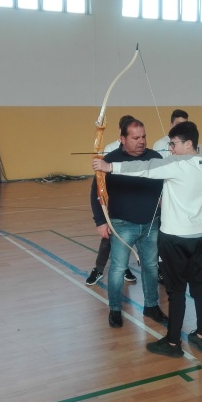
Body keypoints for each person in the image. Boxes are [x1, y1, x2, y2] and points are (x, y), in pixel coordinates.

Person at [93, 121, 202, 358]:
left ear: (189, 144)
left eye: (174, 144)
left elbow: (144, 167)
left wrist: (108, 166)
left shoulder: (176, 166)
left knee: (176, 292)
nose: (170, 148)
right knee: (199, 288)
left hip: (175, 239)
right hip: (197, 237)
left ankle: (172, 343)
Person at [90, 119, 168, 328]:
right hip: (122, 224)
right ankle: (115, 309)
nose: (141, 141)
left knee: (151, 266)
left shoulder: (155, 157)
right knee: (117, 268)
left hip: (151, 223)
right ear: (123, 139)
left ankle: (151, 305)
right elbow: (96, 191)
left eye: (143, 137)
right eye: (135, 138)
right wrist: (100, 221)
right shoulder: (110, 160)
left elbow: (166, 185)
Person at [86, 115, 137, 285]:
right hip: (112, 198)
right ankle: (99, 269)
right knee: (108, 236)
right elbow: (102, 176)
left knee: (127, 235)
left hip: (129, 199)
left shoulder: (136, 147)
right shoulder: (110, 148)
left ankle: (124, 267)